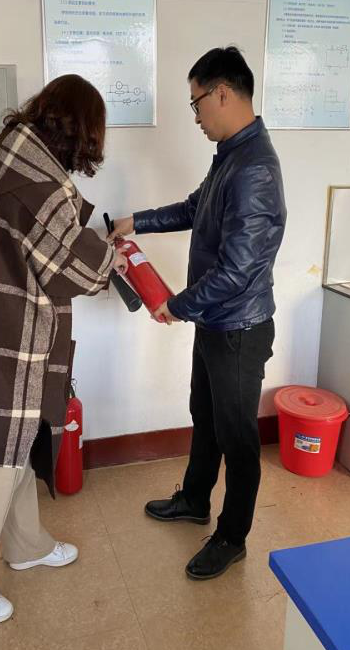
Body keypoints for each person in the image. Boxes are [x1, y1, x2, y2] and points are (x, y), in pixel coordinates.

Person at [0, 74, 128, 623]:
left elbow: (47, 248)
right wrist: (111, 258)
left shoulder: (13, 155)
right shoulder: (41, 187)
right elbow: (71, 268)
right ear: (82, 131)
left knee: (16, 449)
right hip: (10, 341)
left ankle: (25, 546)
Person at [109, 46, 286, 580]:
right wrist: (136, 221)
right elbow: (194, 208)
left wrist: (176, 305)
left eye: (196, 103)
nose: (195, 116)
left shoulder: (255, 169)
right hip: (215, 321)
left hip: (238, 329)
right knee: (205, 415)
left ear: (223, 93)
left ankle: (232, 536)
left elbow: (236, 271)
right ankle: (194, 499)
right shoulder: (232, 155)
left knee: (238, 436)